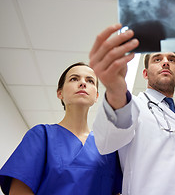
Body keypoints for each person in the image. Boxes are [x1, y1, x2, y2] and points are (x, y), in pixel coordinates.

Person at [89, 24, 175, 195]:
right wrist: (115, 91)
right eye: (157, 59)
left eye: (171, 60)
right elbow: (106, 142)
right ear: (145, 74)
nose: (165, 62)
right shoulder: (133, 106)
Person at [0, 62, 122, 195]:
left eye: (90, 81)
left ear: (96, 96)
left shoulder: (107, 147)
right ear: (60, 93)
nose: (82, 83)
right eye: (74, 79)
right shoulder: (42, 136)